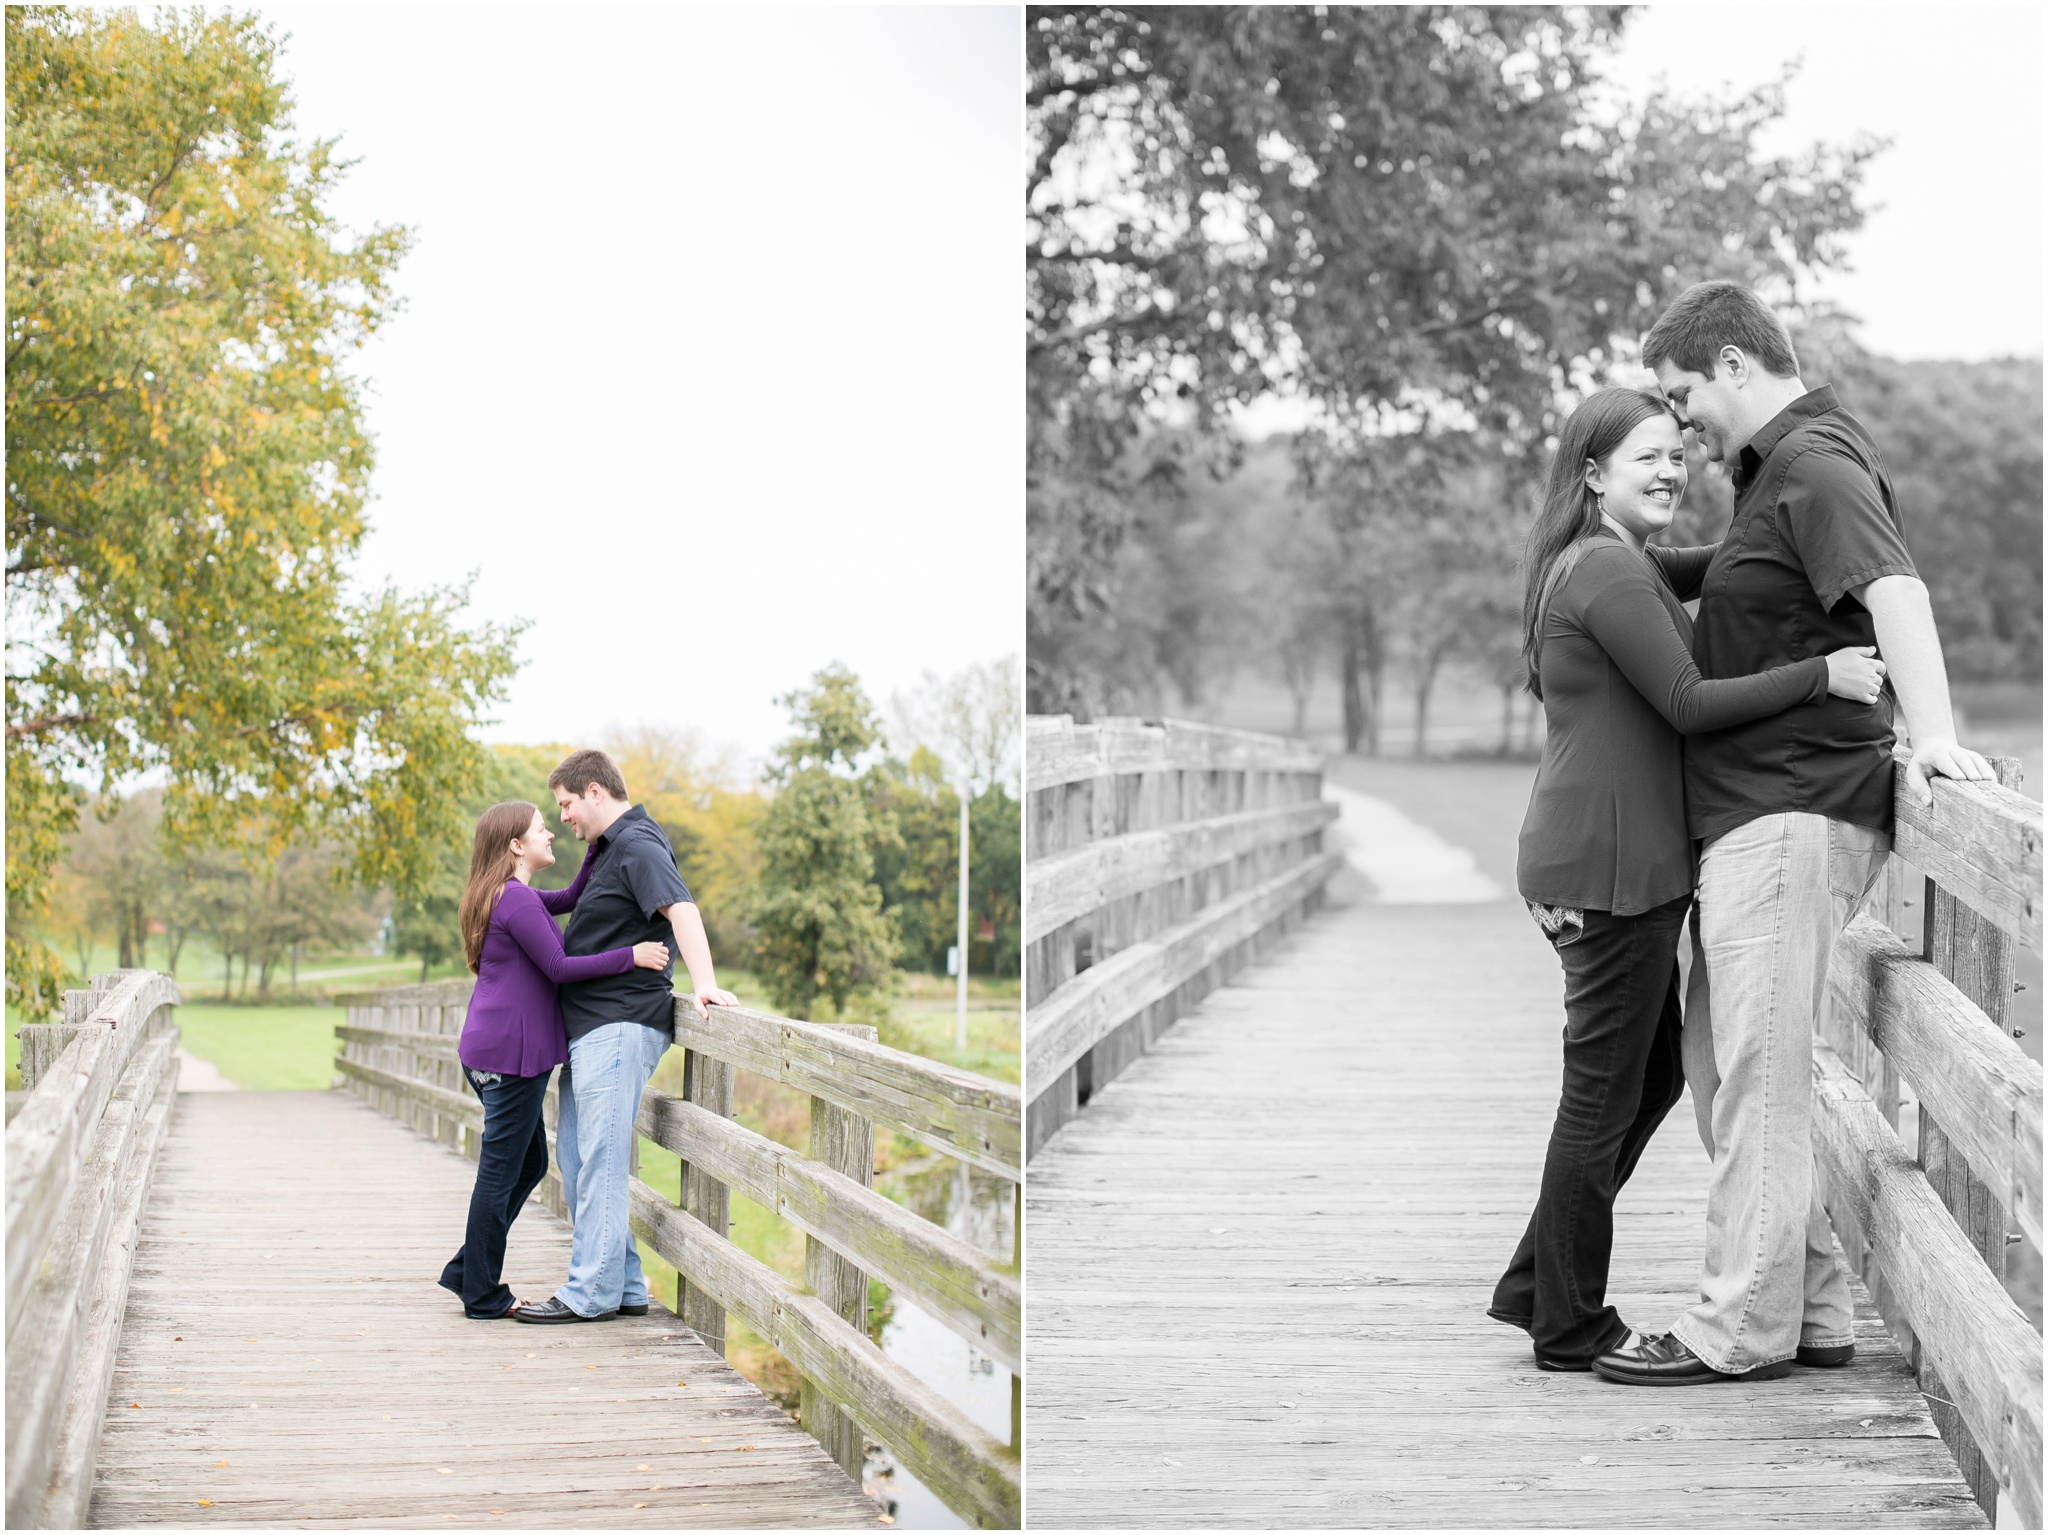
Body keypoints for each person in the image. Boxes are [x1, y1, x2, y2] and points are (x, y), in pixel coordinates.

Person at [1594, 281, 1993, 1387]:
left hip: (1786, 810)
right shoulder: (1772, 478)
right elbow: (1730, 590)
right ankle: (1809, 1305)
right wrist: (1597, 541)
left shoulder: (1812, 463)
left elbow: (1893, 591)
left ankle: (1738, 1323)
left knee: (1753, 1072)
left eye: (1681, 397)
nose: (1679, 426)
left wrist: (1937, 733)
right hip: (1755, 815)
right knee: (1728, 1061)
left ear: (1729, 363)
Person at [1490, 386, 1888, 1372]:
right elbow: (1687, 700)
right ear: (1590, 474)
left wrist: (1796, 510)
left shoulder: (1617, 558)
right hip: (1605, 867)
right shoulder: (1607, 572)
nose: (1669, 471)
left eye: (1677, 454)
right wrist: (1820, 674)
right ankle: (1564, 1321)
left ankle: (1535, 1279)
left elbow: (1726, 565)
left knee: (1653, 1073)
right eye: (1645, 459)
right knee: (1601, 1091)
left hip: (1602, 860)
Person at [515, 749, 737, 1325]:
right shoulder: (608, 850)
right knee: (580, 1157)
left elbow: (681, 909)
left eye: (565, 804)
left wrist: (705, 983)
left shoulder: (637, 844)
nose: (561, 816)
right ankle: (627, 1285)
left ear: (593, 791)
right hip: (590, 1030)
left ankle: (588, 1292)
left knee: (601, 1160)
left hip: (618, 1025)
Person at [439, 800, 668, 1320]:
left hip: (497, 1054)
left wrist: (596, 849)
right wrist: (629, 957)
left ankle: (466, 1268)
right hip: (509, 1058)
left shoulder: (514, 896)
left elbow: (567, 897)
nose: (552, 835)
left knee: (529, 1164)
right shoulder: (514, 901)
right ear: (516, 845)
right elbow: (559, 966)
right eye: (542, 829)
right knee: (501, 1175)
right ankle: (479, 1292)